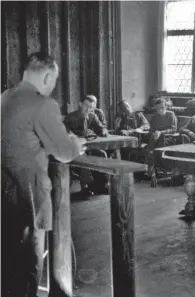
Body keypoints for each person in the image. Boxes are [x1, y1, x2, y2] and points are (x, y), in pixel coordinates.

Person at [1, 52, 85, 297]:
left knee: (8, 265)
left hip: (5, 195)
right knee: (29, 265)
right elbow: (64, 152)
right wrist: (75, 144)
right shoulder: (43, 104)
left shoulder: (4, 97)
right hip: (31, 197)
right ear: (48, 77)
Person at [64, 96, 109, 196]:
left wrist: (103, 131)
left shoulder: (92, 116)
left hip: (88, 147)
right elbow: (64, 133)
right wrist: (76, 136)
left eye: (91, 108)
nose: (88, 110)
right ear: (80, 104)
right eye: (86, 107)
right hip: (73, 149)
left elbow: (101, 128)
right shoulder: (70, 117)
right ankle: (85, 187)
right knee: (84, 158)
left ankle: (101, 185)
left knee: (102, 154)